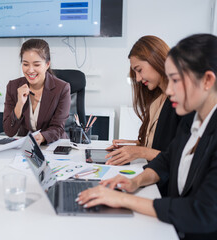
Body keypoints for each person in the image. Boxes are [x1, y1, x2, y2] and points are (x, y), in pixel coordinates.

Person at [76, 34, 217, 239]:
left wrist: (124, 200)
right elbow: (167, 160)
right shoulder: (192, 122)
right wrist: (135, 181)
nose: (168, 89)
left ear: (207, 80)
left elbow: (203, 212)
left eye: (175, 80)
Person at [105, 36, 181, 166]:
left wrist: (140, 151)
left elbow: (179, 157)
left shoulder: (180, 102)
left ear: (157, 60)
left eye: (139, 70)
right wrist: (134, 146)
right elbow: (160, 143)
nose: (138, 79)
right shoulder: (157, 99)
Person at [3, 39, 71, 145]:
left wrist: (43, 137)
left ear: (47, 64)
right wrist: (19, 104)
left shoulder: (62, 88)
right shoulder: (13, 86)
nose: (30, 70)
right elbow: (9, 131)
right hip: (26, 146)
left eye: (36, 65)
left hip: (54, 145)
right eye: (25, 64)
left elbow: (58, 127)